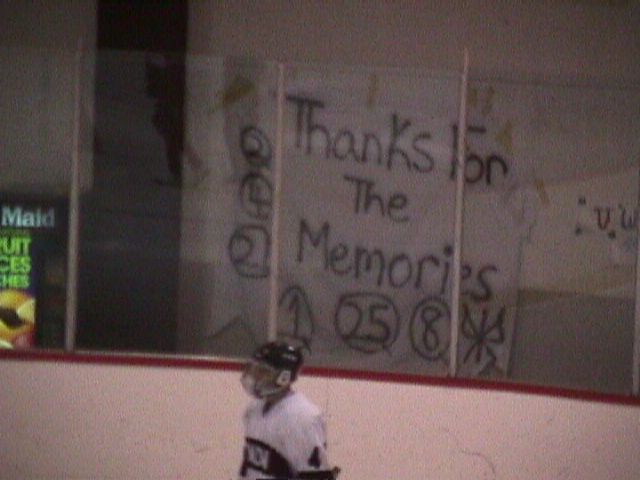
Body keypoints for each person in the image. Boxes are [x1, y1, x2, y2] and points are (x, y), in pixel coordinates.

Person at [239, 341, 339, 480]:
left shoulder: (302, 417)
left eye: (264, 372)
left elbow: (315, 476)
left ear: (283, 377)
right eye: (255, 370)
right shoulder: (253, 409)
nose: (256, 376)